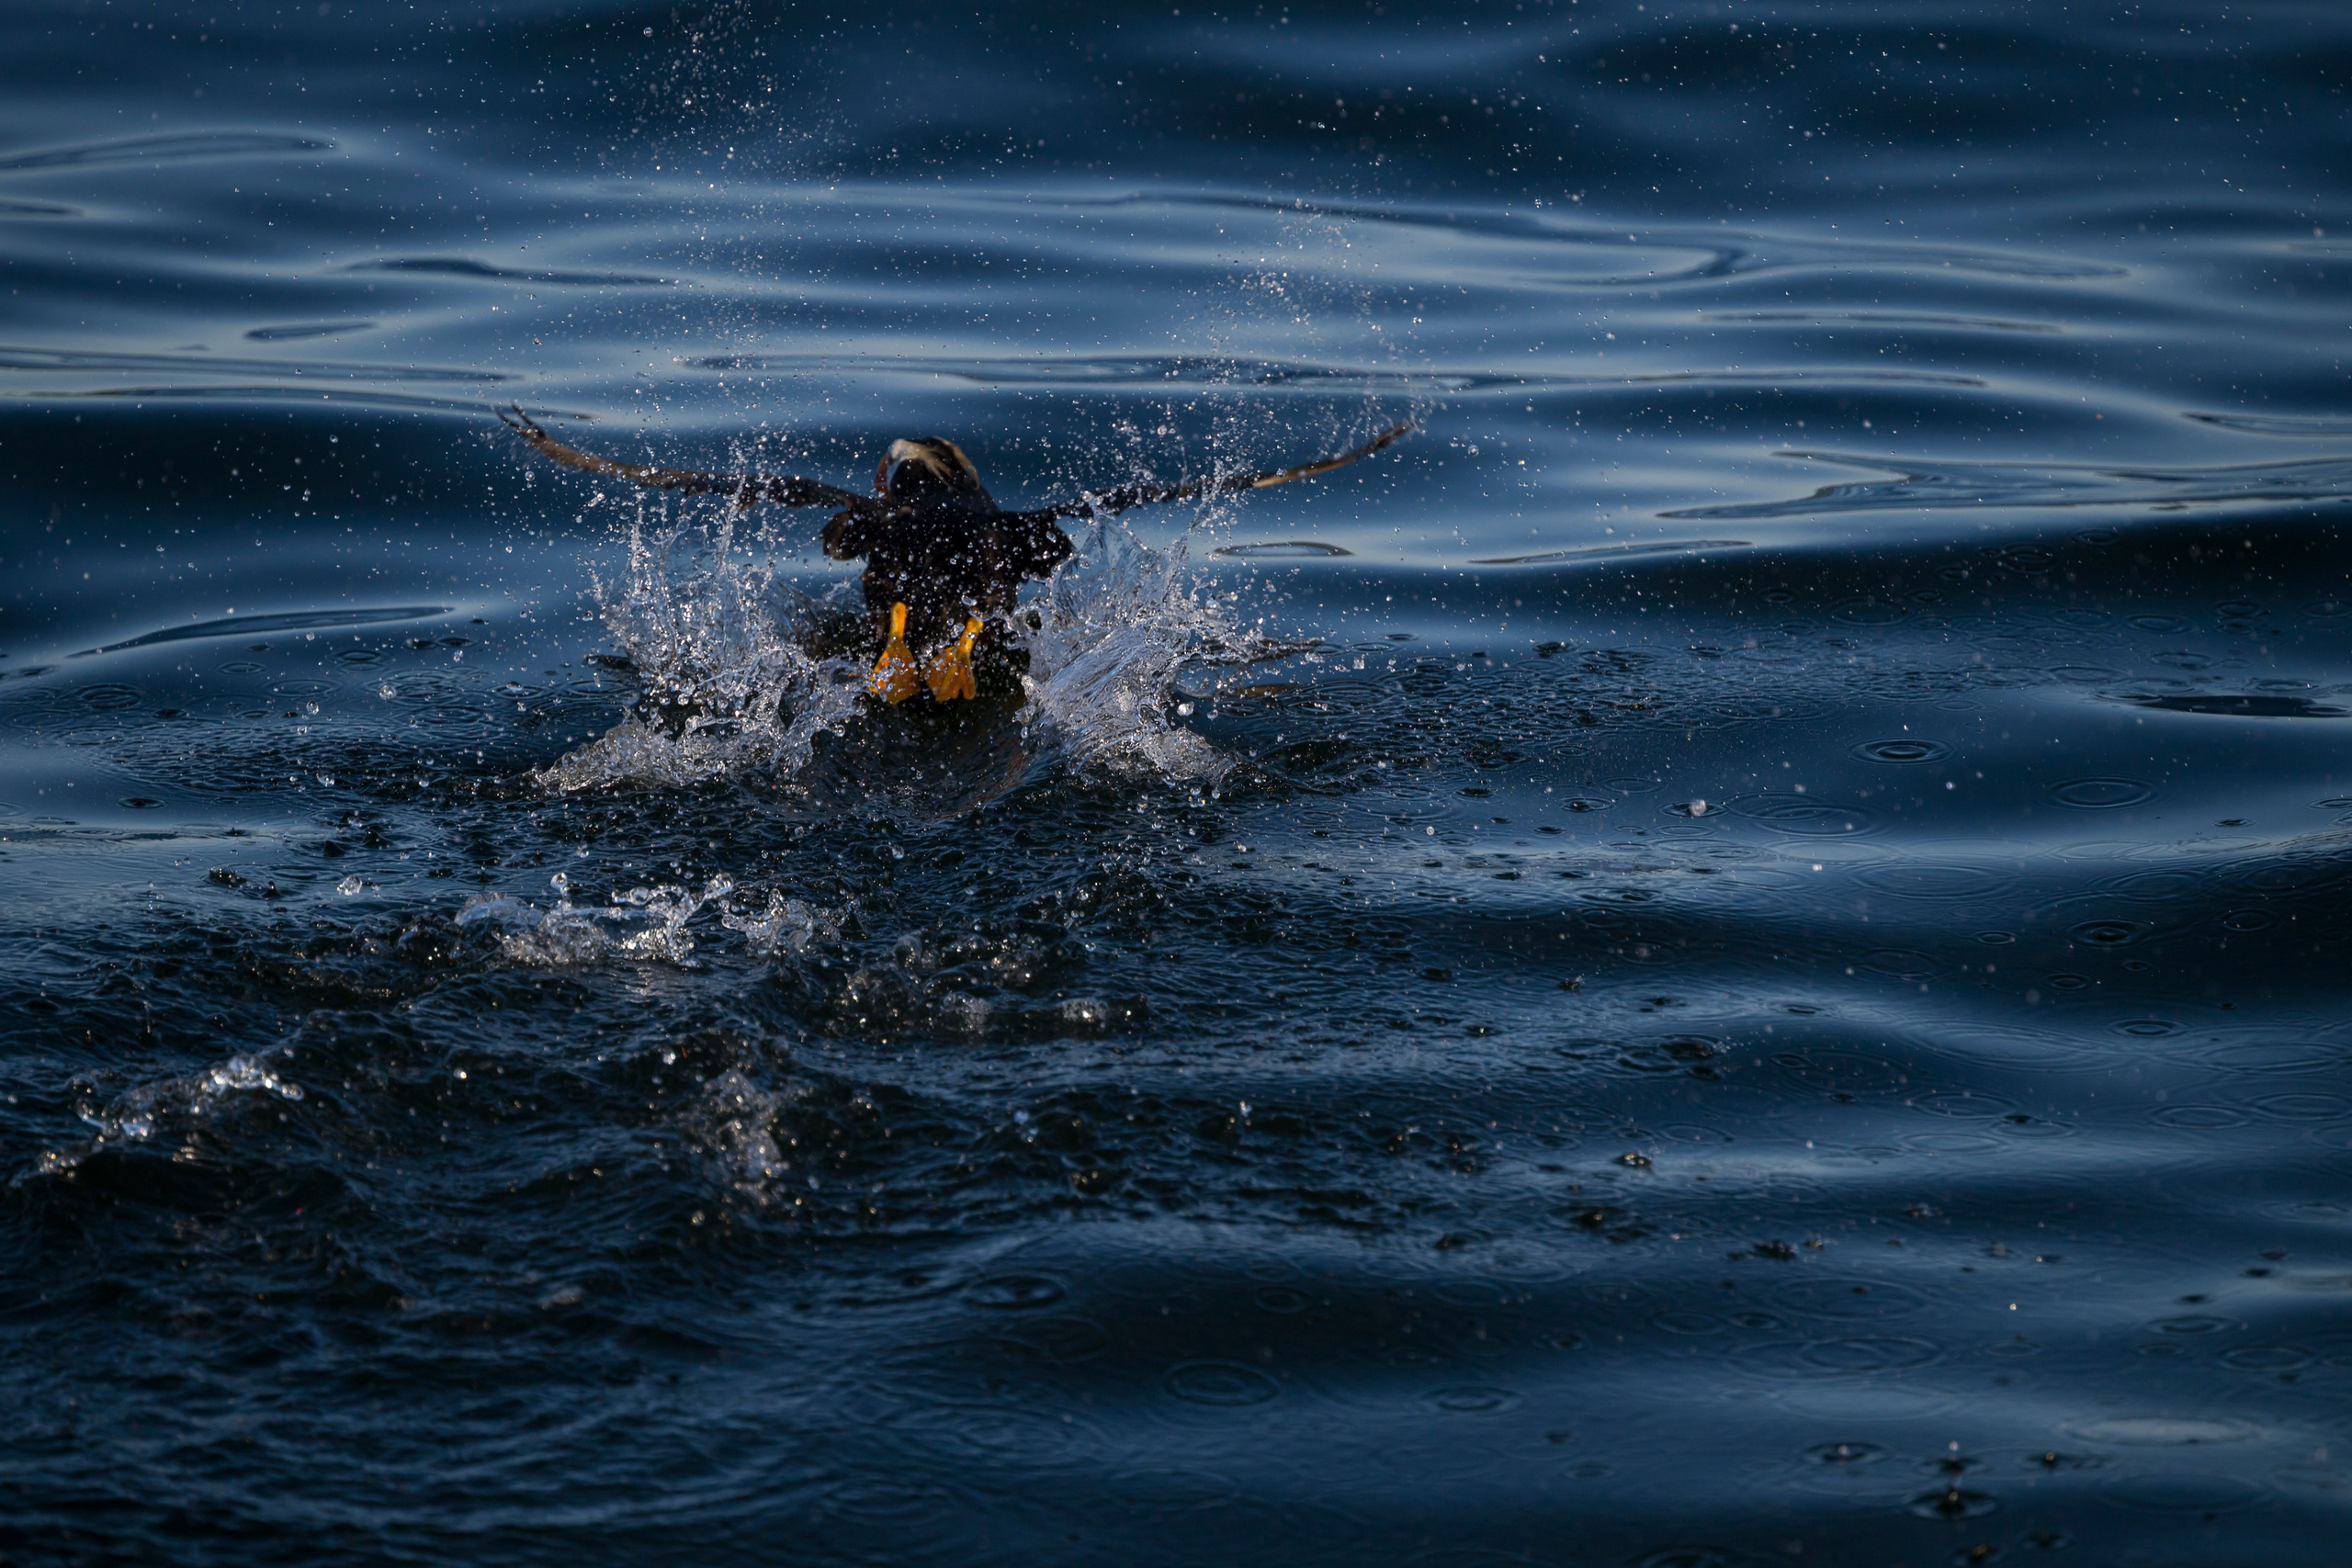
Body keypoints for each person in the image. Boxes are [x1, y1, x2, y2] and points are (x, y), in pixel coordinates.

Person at [499, 407, 1412, 703]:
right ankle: (958, 652)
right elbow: (1195, 493)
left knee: (898, 606)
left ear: (906, 479)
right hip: (981, 587)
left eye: (894, 472)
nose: (888, 479)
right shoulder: (1006, 521)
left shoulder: (880, 512)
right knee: (977, 616)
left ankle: (904, 647)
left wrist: (570, 453)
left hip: (899, 602)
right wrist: (1335, 456)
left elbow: (682, 482)